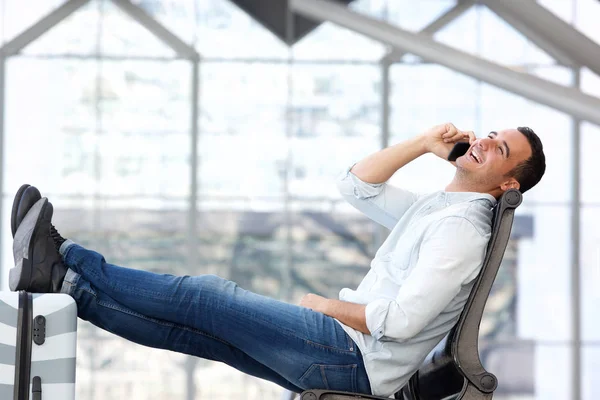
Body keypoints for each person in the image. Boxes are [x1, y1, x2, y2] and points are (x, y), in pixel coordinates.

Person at [9, 123, 545, 398]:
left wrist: (327, 307)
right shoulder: (441, 207)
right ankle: (65, 284)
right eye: (491, 135)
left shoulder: (459, 230)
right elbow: (358, 185)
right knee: (195, 333)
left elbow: (403, 320)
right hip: (355, 357)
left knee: (205, 296)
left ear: (507, 183)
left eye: (501, 149)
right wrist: (424, 142)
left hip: (352, 357)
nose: (486, 142)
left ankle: (65, 255)